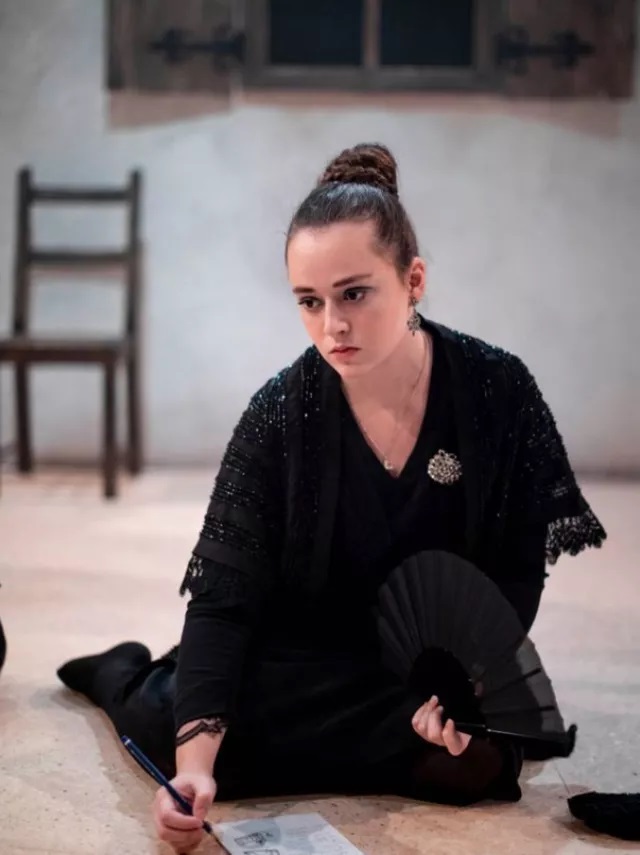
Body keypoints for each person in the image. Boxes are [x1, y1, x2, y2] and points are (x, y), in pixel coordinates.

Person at [57, 143, 606, 853]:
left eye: (354, 294)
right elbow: (224, 601)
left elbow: (516, 570)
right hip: (304, 657)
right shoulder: (279, 414)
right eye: (309, 301)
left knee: (472, 763)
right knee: (183, 738)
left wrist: (460, 686)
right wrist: (194, 768)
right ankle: (124, 672)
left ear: (413, 280)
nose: (331, 326)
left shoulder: (498, 391)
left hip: (422, 672)